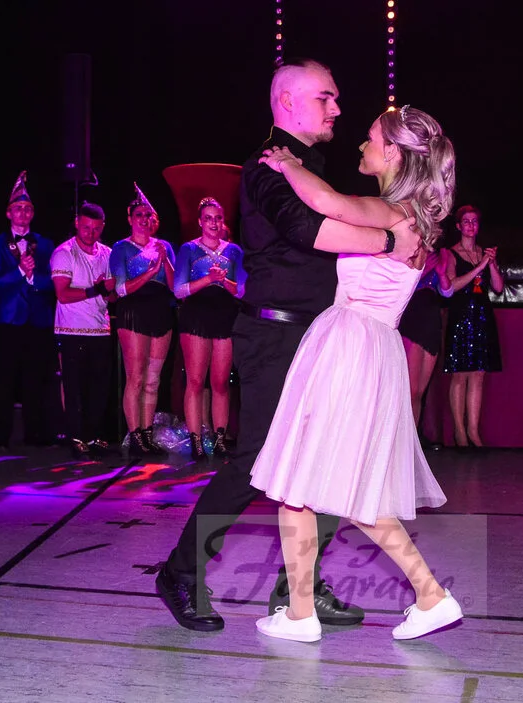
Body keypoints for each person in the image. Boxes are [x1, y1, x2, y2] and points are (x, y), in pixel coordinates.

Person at [153, 58, 421, 632]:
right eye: (326, 97)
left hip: (320, 335)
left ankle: (298, 591)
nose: (337, 108)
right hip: (275, 334)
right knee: (255, 461)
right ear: (288, 102)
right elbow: (307, 231)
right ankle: (180, 572)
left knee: (327, 462)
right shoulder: (268, 165)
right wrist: (390, 239)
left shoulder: (310, 166)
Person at [250, 103, 460, 642]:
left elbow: (325, 203)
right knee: (336, 487)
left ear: (394, 153)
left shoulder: (393, 212)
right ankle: (421, 597)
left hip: (349, 343)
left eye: (370, 139)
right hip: (371, 346)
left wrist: (286, 163)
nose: (361, 146)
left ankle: (306, 614)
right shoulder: (411, 216)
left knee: (300, 479)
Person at [0, 171, 57, 449]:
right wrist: (19, 271)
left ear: (33, 213)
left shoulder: (46, 244)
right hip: (8, 320)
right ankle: (1, 437)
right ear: (9, 213)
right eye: (18, 208)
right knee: (5, 381)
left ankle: (34, 434)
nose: (23, 213)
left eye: (28, 209)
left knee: (35, 380)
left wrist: (32, 277)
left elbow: (54, 281)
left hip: (38, 320)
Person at [173, 197, 247, 460]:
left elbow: (242, 290)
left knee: (221, 382)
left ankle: (219, 439)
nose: (213, 223)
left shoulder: (234, 251)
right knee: (195, 381)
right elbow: (179, 289)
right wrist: (208, 279)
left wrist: (223, 281)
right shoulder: (188, 249)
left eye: (217, 218)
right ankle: (196, 440)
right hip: (196, 317)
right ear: (200, 222)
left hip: (225, 317)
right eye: (208, 218)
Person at [110, 183, 177, 455]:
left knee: (153, 379)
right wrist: (150, 271)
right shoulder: (121, 248)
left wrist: (165, 260)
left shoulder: (164, 246)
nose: (144, 219)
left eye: (148, 215)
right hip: (134, 312)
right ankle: (135, 435)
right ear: (130, 219)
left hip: (160, 312)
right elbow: (120, 288)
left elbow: (175, 286)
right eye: (139, 215)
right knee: (136, 377)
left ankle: (147, 434)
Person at [50, 202, 114, 458]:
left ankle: (93, 435)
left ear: (103, 227)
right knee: (74, 386)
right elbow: (63, 294)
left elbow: (112, 296)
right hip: (72, 329)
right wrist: (95, 289)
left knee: (98, 386)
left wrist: (107, 291)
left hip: (100, 329)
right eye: (86, 228)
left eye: (96, 229)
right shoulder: (64, 252)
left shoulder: (108, 254)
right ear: (77, 223)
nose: (90, 233)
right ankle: (75, 436)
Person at [443, 206, 504, 448]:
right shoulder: (450, 253)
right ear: (458, 226)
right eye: (466, 221)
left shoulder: (484, 252)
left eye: (474, 221)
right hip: (461, 315)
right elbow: (452, 286)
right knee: (460, 375)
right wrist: (479, 268)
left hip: (481, 315)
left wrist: (491, 264)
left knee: (478, 375)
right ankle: (459, 432)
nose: (470, 225)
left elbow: (498, 288)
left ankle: (473, 432)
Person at [398, 246, 453, 431]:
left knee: (420, 392)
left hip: (431, 318)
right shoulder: (408, 248)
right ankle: (403, 439)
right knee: (411, 390)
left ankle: (413, 439)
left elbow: (447, 292)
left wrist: (441, 273)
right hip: (413, 316)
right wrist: (423, 269)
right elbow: (398, 287)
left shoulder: (440, 254)